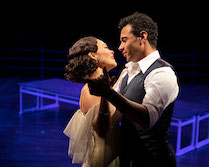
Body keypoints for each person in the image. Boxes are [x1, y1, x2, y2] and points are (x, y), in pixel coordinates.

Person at [86, 12, 179, 167]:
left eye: (124, 40)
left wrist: (108, 92)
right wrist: (104, 93)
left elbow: (147, 119)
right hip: (128, 160)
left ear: (142, 37)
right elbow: (107, 115)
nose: (119, 47)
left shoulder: (162, 73)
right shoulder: (128, 72)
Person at [63, 36, 125, 167]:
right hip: (105, 160)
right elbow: (102, 129)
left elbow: (112, 94)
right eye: (106, 47)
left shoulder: (94, 89)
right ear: (93, 55)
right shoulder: (91, 92)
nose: (112, 51)